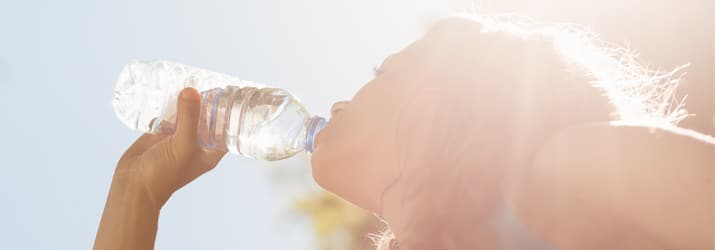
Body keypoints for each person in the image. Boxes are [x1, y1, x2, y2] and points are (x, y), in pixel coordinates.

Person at [94, 15, 714, 250]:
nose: (339, 99)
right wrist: (135, 195)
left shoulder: (565, 169)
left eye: (380, 71)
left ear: (453, 92)